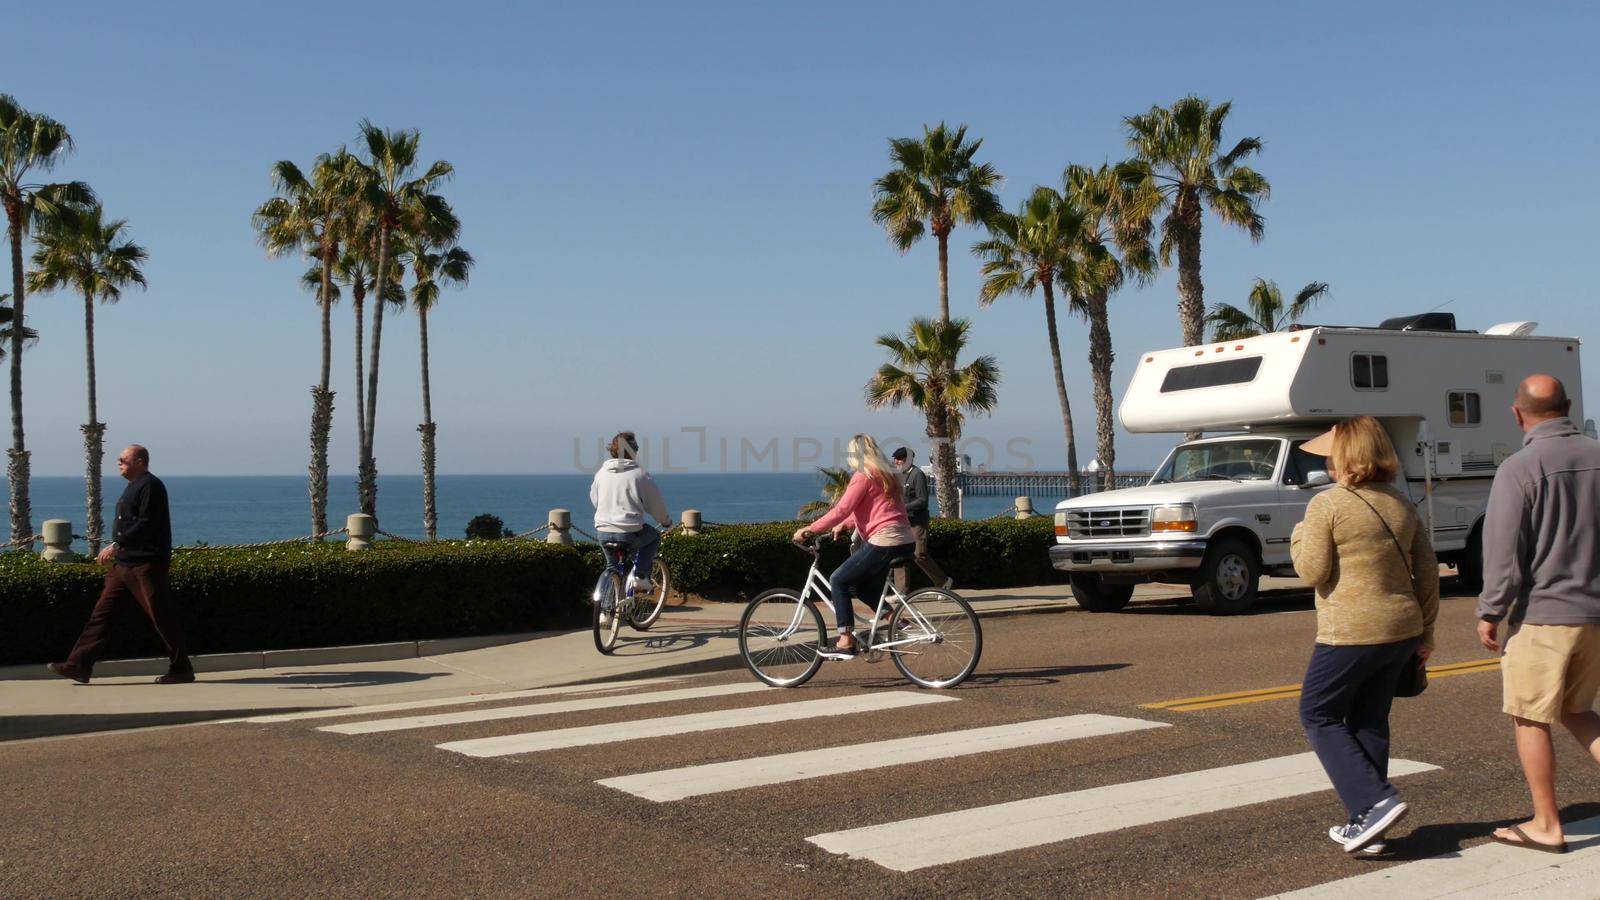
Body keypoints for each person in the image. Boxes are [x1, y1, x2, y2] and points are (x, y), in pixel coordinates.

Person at [1290, 416, 1439, 854]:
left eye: (1331, 456)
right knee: (1369, 719)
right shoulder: (1400, 503)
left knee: (1318, 713)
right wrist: (1426, 631)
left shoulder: (1327, 505)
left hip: (1351, 629)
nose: (1327, 464)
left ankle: (1374, 802)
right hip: (1402, 628)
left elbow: (1311, 571)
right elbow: (1427, 570)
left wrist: (1299, 537)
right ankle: (1369, 824)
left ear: (1346, 458)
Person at [1476, 374, 1600, 854]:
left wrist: (1490, 611)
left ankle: (1547, 823)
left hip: (1545, 615)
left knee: (1530, 716)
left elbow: (1504, 553)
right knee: (1577, 709)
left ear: (1517, 413)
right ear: (1567, 407)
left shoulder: (1519, 468)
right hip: (1594, 613)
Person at [48, 444, 193, 685]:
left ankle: (181, 668)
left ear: (140, 461)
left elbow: (147, 522)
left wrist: (116, 545)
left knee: (161, 616)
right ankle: (78, 666)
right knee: (101, 615)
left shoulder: (151, 485)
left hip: (145, 564)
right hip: (124, 566)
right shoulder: (132, 487)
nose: (119, 463)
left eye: (124, 459)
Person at [794, 434, 916, 659]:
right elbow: (873, 510)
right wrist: (845, 525)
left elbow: (842, 508)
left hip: (885, 541)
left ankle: (845, 641)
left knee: (838, 580)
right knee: (859, 586)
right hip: (905, 541)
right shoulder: (886, 475)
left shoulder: (863, 476)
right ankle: (896, 619)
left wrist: (810, 529)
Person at [590, 431, 672, 625]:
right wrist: (666, 521)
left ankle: (606, 613)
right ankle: (641, 575)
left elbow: (594, 498)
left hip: (603, 530)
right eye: (636, 448)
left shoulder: (601, 473)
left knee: (612, 568)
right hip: (629, 531)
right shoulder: (640, 474)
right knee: (653, 537)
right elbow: (656, 505)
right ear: (632, 450)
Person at [891, 446, 952, 592]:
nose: (896, 462)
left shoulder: (917, 474)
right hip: (903, 522)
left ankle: (943, 581)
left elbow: (922, 500)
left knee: (919, 555)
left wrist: (903, 508)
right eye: (895, 459)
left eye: (899, 459)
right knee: (900, 555)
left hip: (917, 522)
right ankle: (901, 592)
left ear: (908, 460)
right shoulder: (898, 475)